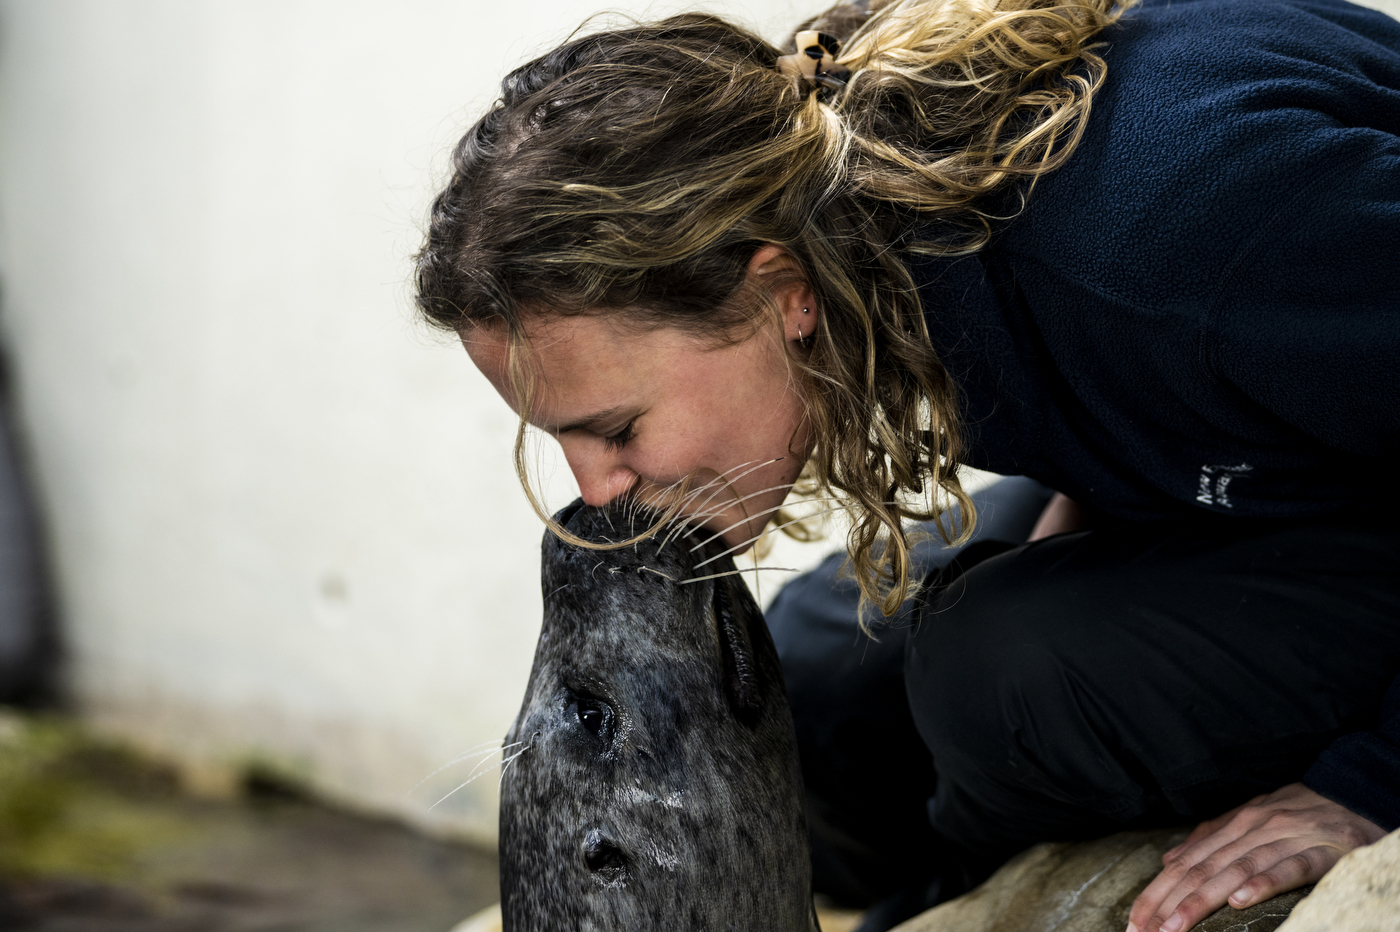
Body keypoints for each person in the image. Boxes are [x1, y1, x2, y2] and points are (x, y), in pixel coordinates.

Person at [413, 0, 1400, 929]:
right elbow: (1137, 382)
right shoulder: (875, 209)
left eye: (617, 427)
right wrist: (1100, 504)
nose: (596, 491)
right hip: (1297, 460)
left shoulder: (1185, 237)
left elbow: (1158, 325)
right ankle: (944, 849)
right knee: (812, 677)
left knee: (1004, 674)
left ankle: (958, 868)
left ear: (779, 291)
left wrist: (1367, 783)